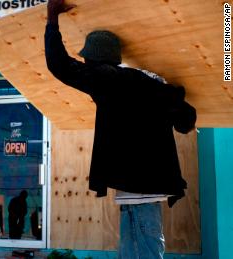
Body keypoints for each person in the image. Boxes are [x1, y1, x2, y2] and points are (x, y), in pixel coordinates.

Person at [44, 1, 197, 258]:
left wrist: (51, 19)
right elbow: (186, 120)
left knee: (142, 250)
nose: (84, 62)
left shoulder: (105, 78)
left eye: (86, 59)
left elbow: (59, 65)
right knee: (139, 248)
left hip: (136, 186)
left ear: (95, 59)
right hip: (145, 187)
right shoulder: (148, 82)